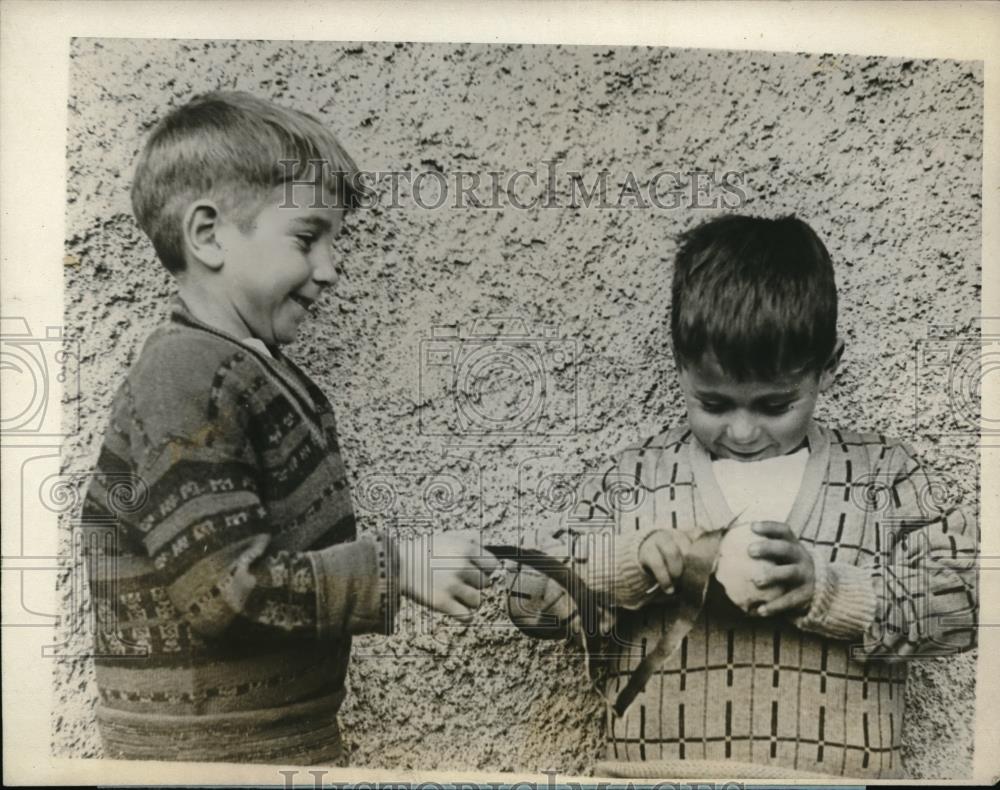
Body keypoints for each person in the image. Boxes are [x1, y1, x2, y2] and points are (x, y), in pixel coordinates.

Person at [81, 91, 496, 764]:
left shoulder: (245, 371)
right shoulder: (187, 377)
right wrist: (396, 568)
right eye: (308, 238)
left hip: (266, 738)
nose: (331, 271)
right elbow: (224, 593)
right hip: (205, 757)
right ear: (208, 235)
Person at [506, 214, 978, 780]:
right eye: (714, 403)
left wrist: (822, 592)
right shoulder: (637, 478)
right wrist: (633, 563)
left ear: (829, 368)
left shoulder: (881, 476)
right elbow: (529, 599)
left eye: (775, 406)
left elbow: (965, 608)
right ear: (680, 366)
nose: (744, 432)